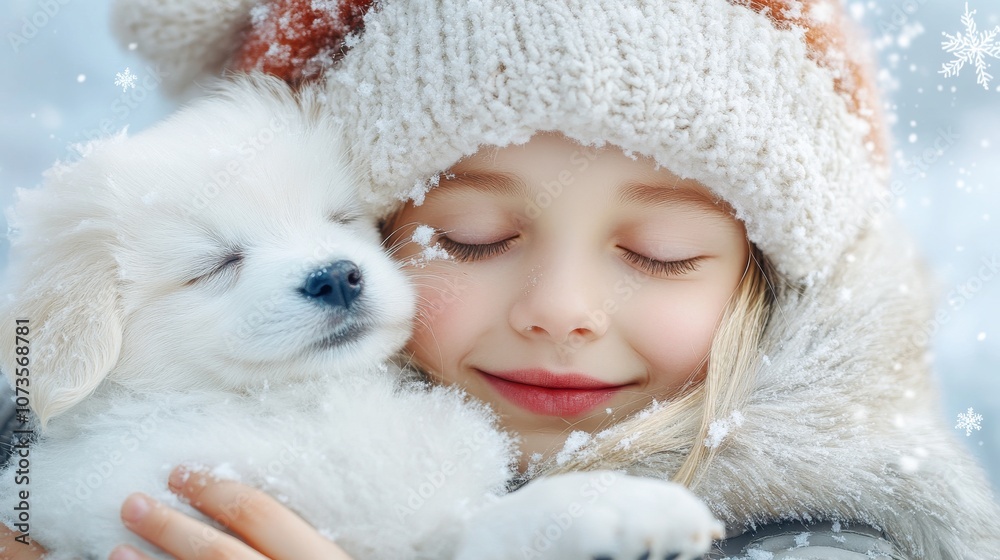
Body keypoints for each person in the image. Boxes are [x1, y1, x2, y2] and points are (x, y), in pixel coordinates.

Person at [3, 0, 1000, 558]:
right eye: (472, 236)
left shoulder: (832, 537)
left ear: (771, 279)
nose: (559, 310)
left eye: (658, 250)